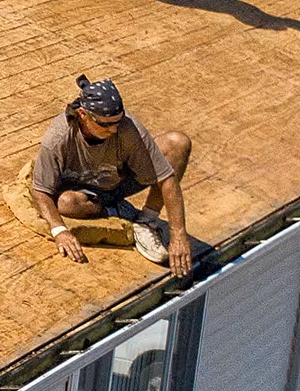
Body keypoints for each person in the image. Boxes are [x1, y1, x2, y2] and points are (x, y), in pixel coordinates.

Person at [30, 76, 195, 276]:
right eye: (106, 125)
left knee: (177, 143)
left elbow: (167, 179)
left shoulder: (125, 127)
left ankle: (146, 220)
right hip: (86, 192)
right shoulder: (58, 138)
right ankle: (115, 210)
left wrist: (178, 234)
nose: (114, 129)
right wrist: (59, 231)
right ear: (83, 115)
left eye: (118, 122)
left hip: (120, 178)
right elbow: (40, 190)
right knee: (66, 203)